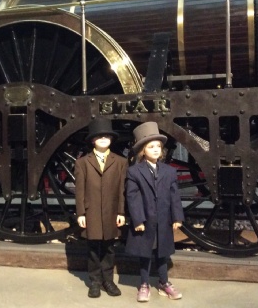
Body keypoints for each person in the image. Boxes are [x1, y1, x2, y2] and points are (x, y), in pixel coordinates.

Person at [125, 122, 185, 302]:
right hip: (145, 219)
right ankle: (144, 284)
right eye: (151, 147)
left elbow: (174, 196)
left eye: (158, 146)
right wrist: (138, 220)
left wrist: (177, 217)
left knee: (163, 253)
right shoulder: (134, 172)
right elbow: (132, 197)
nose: (156, 149)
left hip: (164, 220)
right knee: (145, 253)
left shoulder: (169, 171)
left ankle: (164, 282)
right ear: (143, 151)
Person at [74, 118, 127, 298]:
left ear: (111, 139)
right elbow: (80, 190)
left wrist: (121, 212)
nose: (103, 139)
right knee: (93, 248)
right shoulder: (82, 162)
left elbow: (122, 190)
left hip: (111, 212)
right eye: (99, 136)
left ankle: (108, 281)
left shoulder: (120, 162)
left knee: (109, 248)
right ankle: (95, 281)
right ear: (92, 140)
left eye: (107, 136)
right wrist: (81, 213)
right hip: (92, 212)